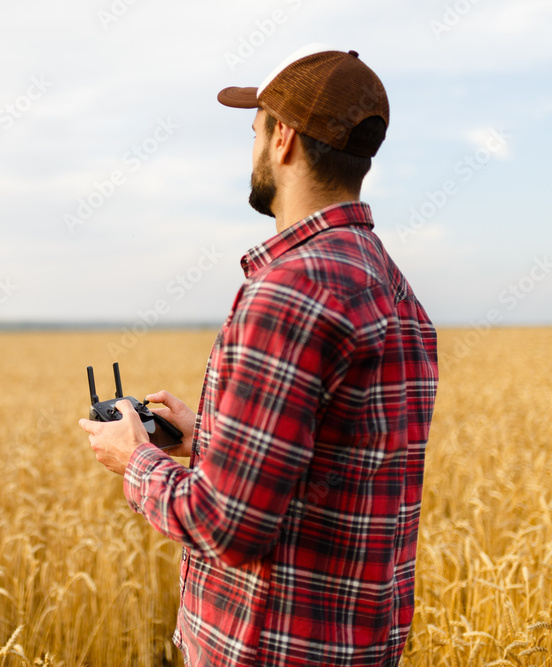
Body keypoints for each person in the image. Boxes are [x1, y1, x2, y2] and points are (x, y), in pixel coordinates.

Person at [79, 44, 439, 666]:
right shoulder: (390, 284)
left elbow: (226, 527)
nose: (251, 149)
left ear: (285, 140)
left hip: (268, 650)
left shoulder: (287, 292)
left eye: (255, 130)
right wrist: (210, 439)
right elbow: (339, 462)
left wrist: (133, 458)